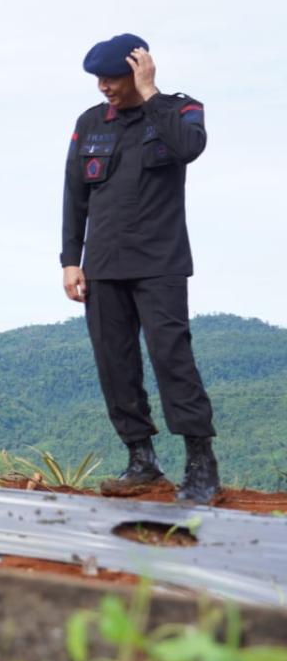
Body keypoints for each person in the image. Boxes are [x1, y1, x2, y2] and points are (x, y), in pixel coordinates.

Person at [61, 33, 219, 505]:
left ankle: (200, 461)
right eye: (98, 79)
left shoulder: (180, 110)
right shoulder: (90, 123)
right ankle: (142, 459)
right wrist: (71, 259)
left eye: (112, 77)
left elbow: (189, 148)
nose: (104, 87)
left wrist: (151, 95)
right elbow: (74, 195)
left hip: (160, 264)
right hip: (103, 266)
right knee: (115, 364)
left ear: (139, 69)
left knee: (172, 358)